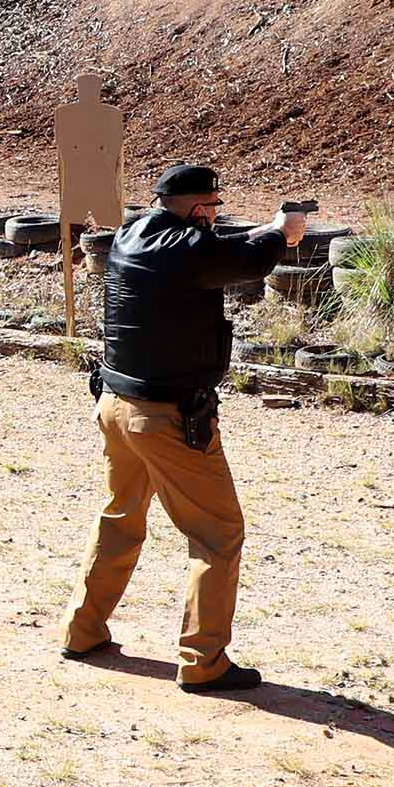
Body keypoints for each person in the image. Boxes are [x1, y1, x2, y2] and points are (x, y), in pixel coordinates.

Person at [57, 162, 308, 692]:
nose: (216, 215)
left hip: (116, 405)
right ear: (196, 209)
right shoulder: (191, 248)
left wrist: (263, 229)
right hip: (167, 418)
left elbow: (214, 250)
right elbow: (241, 259)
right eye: (213, 207)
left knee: (120, 520)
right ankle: (204, 660)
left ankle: (82, 631)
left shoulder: (135, 233)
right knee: (218, 535)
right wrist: (282, 233)